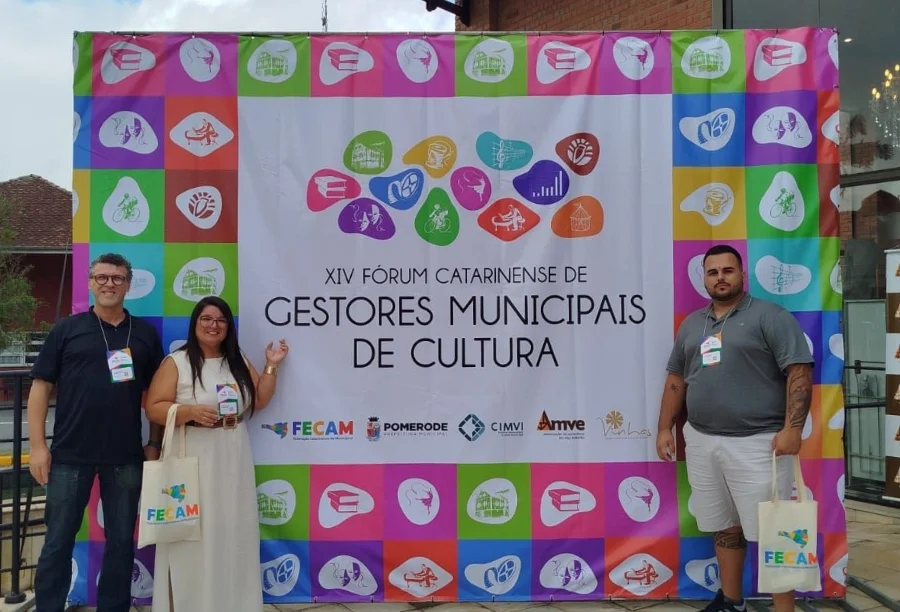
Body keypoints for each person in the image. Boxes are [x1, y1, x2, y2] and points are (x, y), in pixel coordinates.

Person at [656, 244, 813, 612]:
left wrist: (793, 428)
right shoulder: (693, 324)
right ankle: (731, 602)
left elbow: (799, 371)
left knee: (777, 532)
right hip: (701, 440)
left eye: (728, 270)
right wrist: (665, 428)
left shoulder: (770, 316)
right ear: (704, 279)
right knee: (724, 526)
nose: (720, 277)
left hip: (759, 444)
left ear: (743, 275)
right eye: (713, 272)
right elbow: (677, 379)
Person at [28, 253, 165, 612]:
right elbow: (40, 387)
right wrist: (38, 447)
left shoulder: (146, 334)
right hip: (69, 455)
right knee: (57, 541)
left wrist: (154, 442)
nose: (109, 283)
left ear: (128, 285)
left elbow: (156, 396)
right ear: (91, 283)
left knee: (121, 543)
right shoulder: (66, 329)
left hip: (126, 456)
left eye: (117, 278)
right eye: (102, 277)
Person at [144, 295, 288, 612]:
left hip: (232, 451)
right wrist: (187, 410)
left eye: (221, 320)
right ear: (195, 324)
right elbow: (153, 407)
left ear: (228, 327)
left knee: (231, 528)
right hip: (192, 454)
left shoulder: (236, 360)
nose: (214, 325)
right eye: (206, 319)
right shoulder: (177, 362)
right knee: (193, 532)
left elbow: (259, 400)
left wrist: (271, 366)